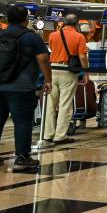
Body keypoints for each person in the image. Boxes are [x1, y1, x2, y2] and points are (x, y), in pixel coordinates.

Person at [0, 4, 52, 172]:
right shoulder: (31, 37)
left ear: (7, 19)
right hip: (21, 87)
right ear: (26, 19)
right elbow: (43, 59)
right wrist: (48, 80)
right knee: (22, 122)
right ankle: (22, 158)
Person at [41, 13, 89, 148]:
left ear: (64, 22)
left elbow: (51, 50)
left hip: (52, 70)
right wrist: (86, 72)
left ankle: (47, 134)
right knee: (65, 104)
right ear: (77, 24)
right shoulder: (79, 36)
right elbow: (82, 57)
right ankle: (60, 136)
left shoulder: (52, 35)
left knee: (50, 104)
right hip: (68, 72)